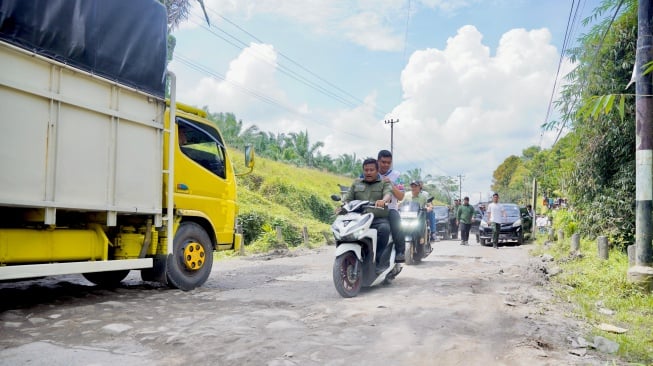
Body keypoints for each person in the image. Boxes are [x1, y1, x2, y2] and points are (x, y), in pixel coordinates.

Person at [342, 158, 393, 272]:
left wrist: (383, 201)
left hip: (377, 219)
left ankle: (379, 261)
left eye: (371, 170)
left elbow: (388, 194)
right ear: (363, 170)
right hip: (358, 219)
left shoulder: (384, 183)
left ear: (377, 170)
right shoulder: (356, 183)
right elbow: (348, 199)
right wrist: (342, 206)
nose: (368, 172)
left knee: (384, 229)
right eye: (366, 170)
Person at [377, 150, 406, 263]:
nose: (386, 165)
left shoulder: (397, 175)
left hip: (389, 209)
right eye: (383, 162)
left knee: (397, 223)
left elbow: (401, 196)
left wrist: (391, 185)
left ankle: (400, 252)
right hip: (371, 208)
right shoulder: (371, 172)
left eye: (388, 162)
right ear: (378, 161)